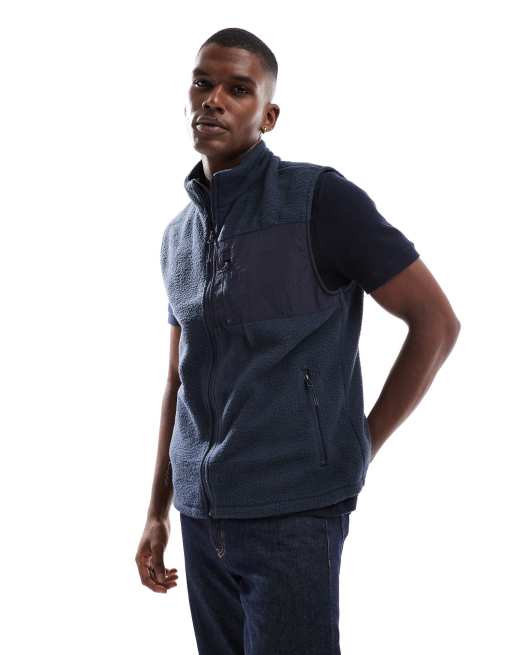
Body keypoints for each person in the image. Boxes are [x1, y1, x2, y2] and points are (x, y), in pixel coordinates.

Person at [135, 27, 461, 655]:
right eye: (203, 83)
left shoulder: (321, 202)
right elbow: (178, 381)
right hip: (201, 519)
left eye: (238, 89)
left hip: (293, 515)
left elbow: (436, 323)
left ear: (268, 115)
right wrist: (157, 512)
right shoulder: (177, 237)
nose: (214, 99)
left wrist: (360, 445)